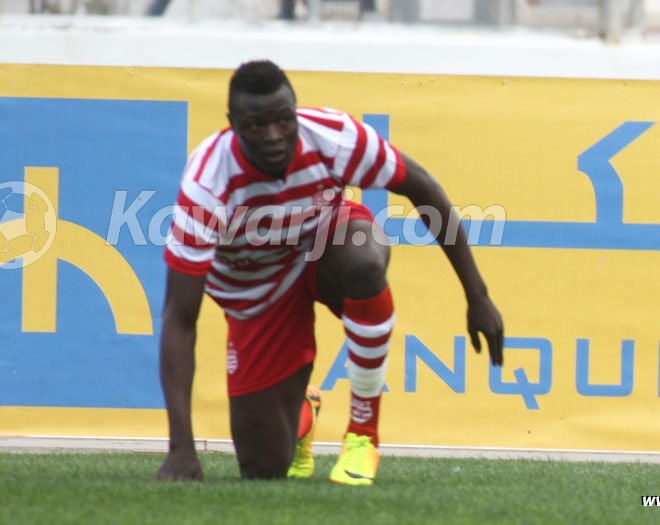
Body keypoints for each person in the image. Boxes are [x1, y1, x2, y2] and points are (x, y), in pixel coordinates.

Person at [154, 60, 504, 485]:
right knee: (263, 470)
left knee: (363, 262)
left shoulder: (334, 137)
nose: (274, 135)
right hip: (258, 291)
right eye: (256, 125)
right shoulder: (207, 183)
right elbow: (180, 318)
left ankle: (362, 434)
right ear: (233, 125)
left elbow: (423, 187)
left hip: (325, 242)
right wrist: (181, 449)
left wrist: (477, 296)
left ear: (295, 112)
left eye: (284, 120)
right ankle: (303, 412)